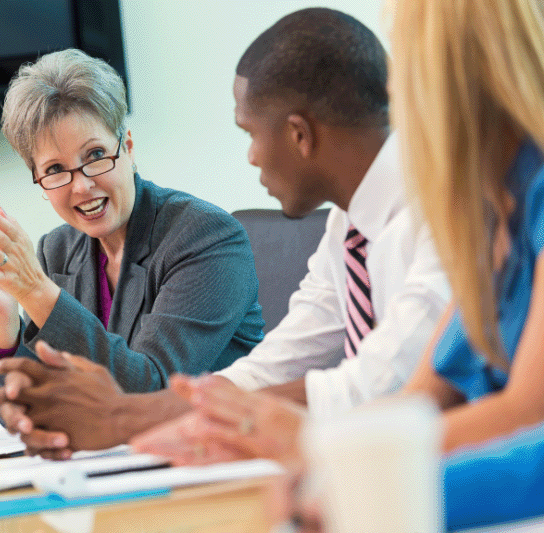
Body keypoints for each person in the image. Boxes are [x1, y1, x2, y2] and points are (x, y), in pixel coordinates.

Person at [0, 8, 450, 458]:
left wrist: (125, 415)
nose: (250, 157)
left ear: (299, 135)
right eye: (55, 170)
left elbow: (380, 381)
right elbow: (276, 364)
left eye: (248, 133)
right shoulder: (348, 227)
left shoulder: (446, 210)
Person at [158, 0, 544, 530]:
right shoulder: (500, 203)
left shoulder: (509, 200)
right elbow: (423, 395)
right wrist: (319, 458)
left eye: (407, 73)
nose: (395, 101)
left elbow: (528, 418)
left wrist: (336, 458)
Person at [0, 48, 265, 404]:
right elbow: (22, 408)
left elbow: (150, 390)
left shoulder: (204, 237)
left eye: (94, 156)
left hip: (216, 448)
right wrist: (4, 317)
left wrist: (36, 292)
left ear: (128, 148)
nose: (81, 186)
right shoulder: (57, 252)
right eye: (55, 170)